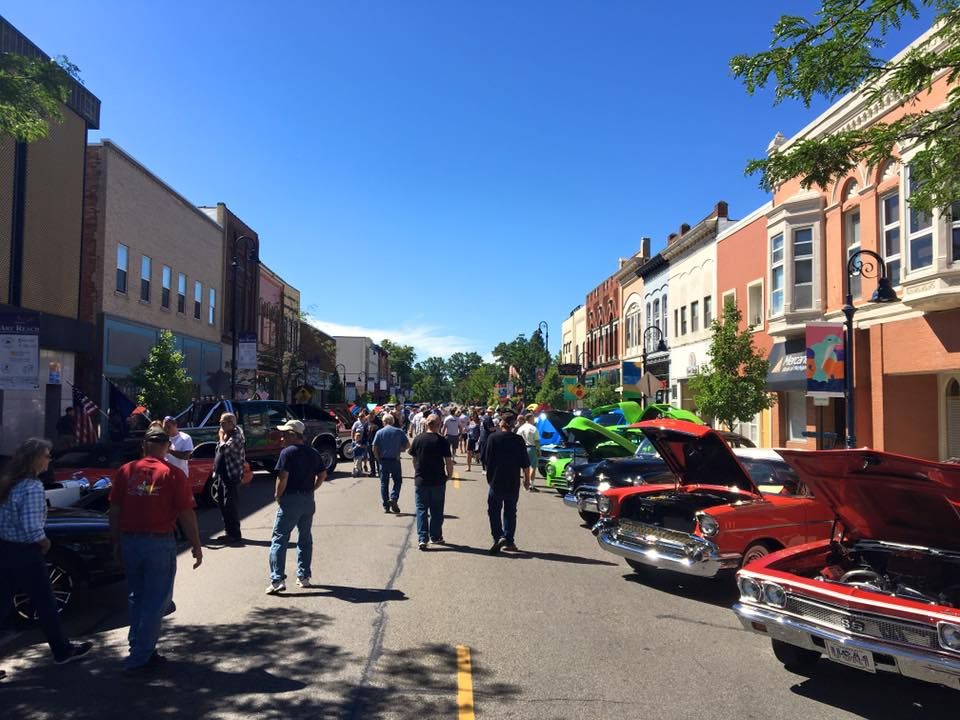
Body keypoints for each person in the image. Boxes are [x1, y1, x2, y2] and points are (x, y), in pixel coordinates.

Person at [109, 427, 202, 672]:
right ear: (167, 447)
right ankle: (140, 657)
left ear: (144, 446)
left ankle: (139, 647)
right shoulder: (171, 474)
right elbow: (186, 513)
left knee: (137, 597)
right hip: (158, 542)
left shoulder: (126, 471)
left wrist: (116, 542)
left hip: (131, 541)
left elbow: (115, 510)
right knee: (157, 600)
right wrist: (196, 544)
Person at [0, 438, 94, 667]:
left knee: (3, 604)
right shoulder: (32, 487)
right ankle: (62, 650)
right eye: (46, 455)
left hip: (6, 549)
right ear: (34, 459)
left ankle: (62, 648)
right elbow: (32, 527)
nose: (49, 460)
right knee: (45, 602)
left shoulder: (10, 482)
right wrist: (45, 544)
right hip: (25, 553)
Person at [266, 420, 326, 594]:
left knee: (279, 538)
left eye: (285, 434)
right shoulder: (313, 453)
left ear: (293, 435)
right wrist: (313, 488)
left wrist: (278, 495)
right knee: (305, 538)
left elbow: (283, 477)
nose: (282, 437)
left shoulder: (287, 453)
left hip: (291, 499)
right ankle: (304, 576)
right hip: (308, 499)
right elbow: (322, 474)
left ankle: (277, 579)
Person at [482, 415, 532, 555]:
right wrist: (527, 480)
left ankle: (498, 536)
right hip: (513, 481)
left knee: (494, 511)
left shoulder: (493, 438)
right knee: (510, 511)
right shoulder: (518, 440)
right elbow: (526, 464)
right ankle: (509, 540)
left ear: (501, 423)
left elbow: (485, 459)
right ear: (513, 425)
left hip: (496, 480)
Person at [409, 414, 453, 550]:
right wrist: (450, 474)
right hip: (438, 479)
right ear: (438, 424)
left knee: (421, 509)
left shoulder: (418, 439)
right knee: (436, 510)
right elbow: (448, 460)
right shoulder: (442, 441)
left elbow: (414, 459)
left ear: (426, 424)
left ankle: (423, 538)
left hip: (421, 479)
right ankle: (435, 536)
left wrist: (417, 470)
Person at [212, 412, 245, 545]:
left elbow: (224, 449)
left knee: (230, 504)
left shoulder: (237, 435)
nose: (220, 424)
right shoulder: (227, 434)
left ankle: (235, 534)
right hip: (222, 474)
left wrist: (221, 437)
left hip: (232, 474)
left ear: (232, 423)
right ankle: (228, 532)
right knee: (222, 503)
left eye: (223, 422)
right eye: (220, 422)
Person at [372, 413, 409, 513]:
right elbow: (407, 445)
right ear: (392, 421)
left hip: (383, 461)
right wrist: (399, 450)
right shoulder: (399, 431)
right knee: (397, 481)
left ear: (384, 422)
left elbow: (374, 448)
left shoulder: (379, 432)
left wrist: (378, 459)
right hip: (395, 460)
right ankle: (394, 498)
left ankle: (386, 505)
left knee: (384, 483)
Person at [516, 414, 540, 492]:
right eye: (533, 419)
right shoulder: (533, 428)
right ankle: (530, 484)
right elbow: (536, 441)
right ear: (530, 419)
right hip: (532, 448)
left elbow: (517, 438)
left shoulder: (521, 428)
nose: (534, 420)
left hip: (522, 448)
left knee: (524, 467)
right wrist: (538, 450)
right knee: (533, 467)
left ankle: (525, 483)